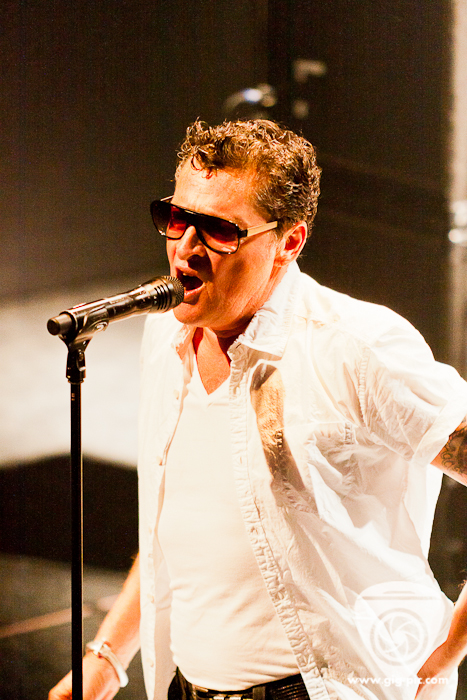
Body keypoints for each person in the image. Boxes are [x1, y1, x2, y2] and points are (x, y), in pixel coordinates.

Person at [49, 119, 467, 700]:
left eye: (219, 230)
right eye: (176, 218)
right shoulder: (164, 338)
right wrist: (107, 656)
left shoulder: (356, 347)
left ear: (288, 243)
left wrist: (448, 650)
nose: (185, 248)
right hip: (187, 687)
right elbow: (180, 523)